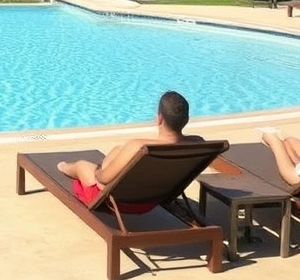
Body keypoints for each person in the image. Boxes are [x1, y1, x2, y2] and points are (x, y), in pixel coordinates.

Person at [56, 90, 201, 213]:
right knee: (118, 150)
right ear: (186, 120)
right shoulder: (197, 144)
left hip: (117, 204)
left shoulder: (139, 146)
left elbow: (102, 179)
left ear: (159, 118)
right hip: (151, 201)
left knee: (83, 165)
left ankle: (64, 167)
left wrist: (100, 170)